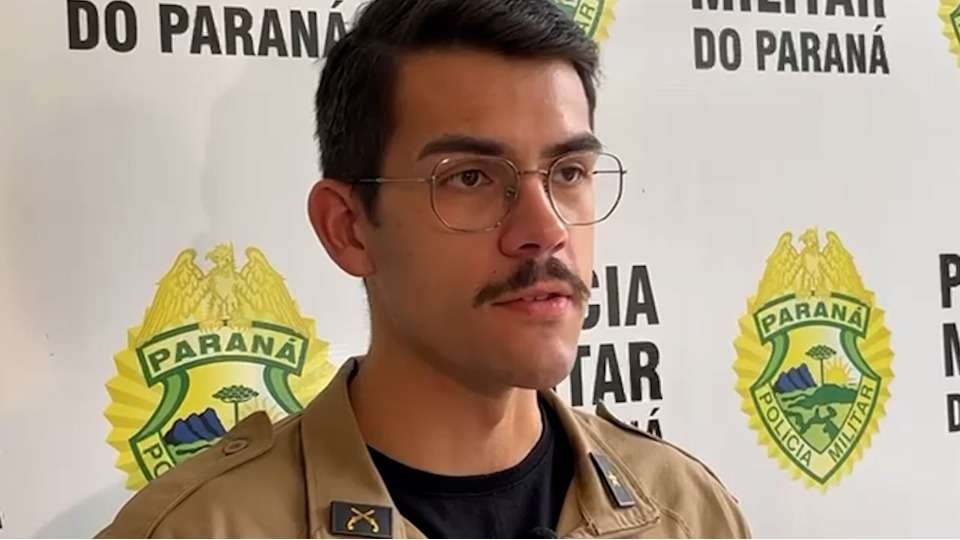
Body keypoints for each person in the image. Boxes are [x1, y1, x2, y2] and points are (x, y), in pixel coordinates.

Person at [98, 0, 750, 537]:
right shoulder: (202, 529)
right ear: (348, 229)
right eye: (470, 178)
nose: (547, 229)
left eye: (569, 172)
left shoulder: (686, 512)